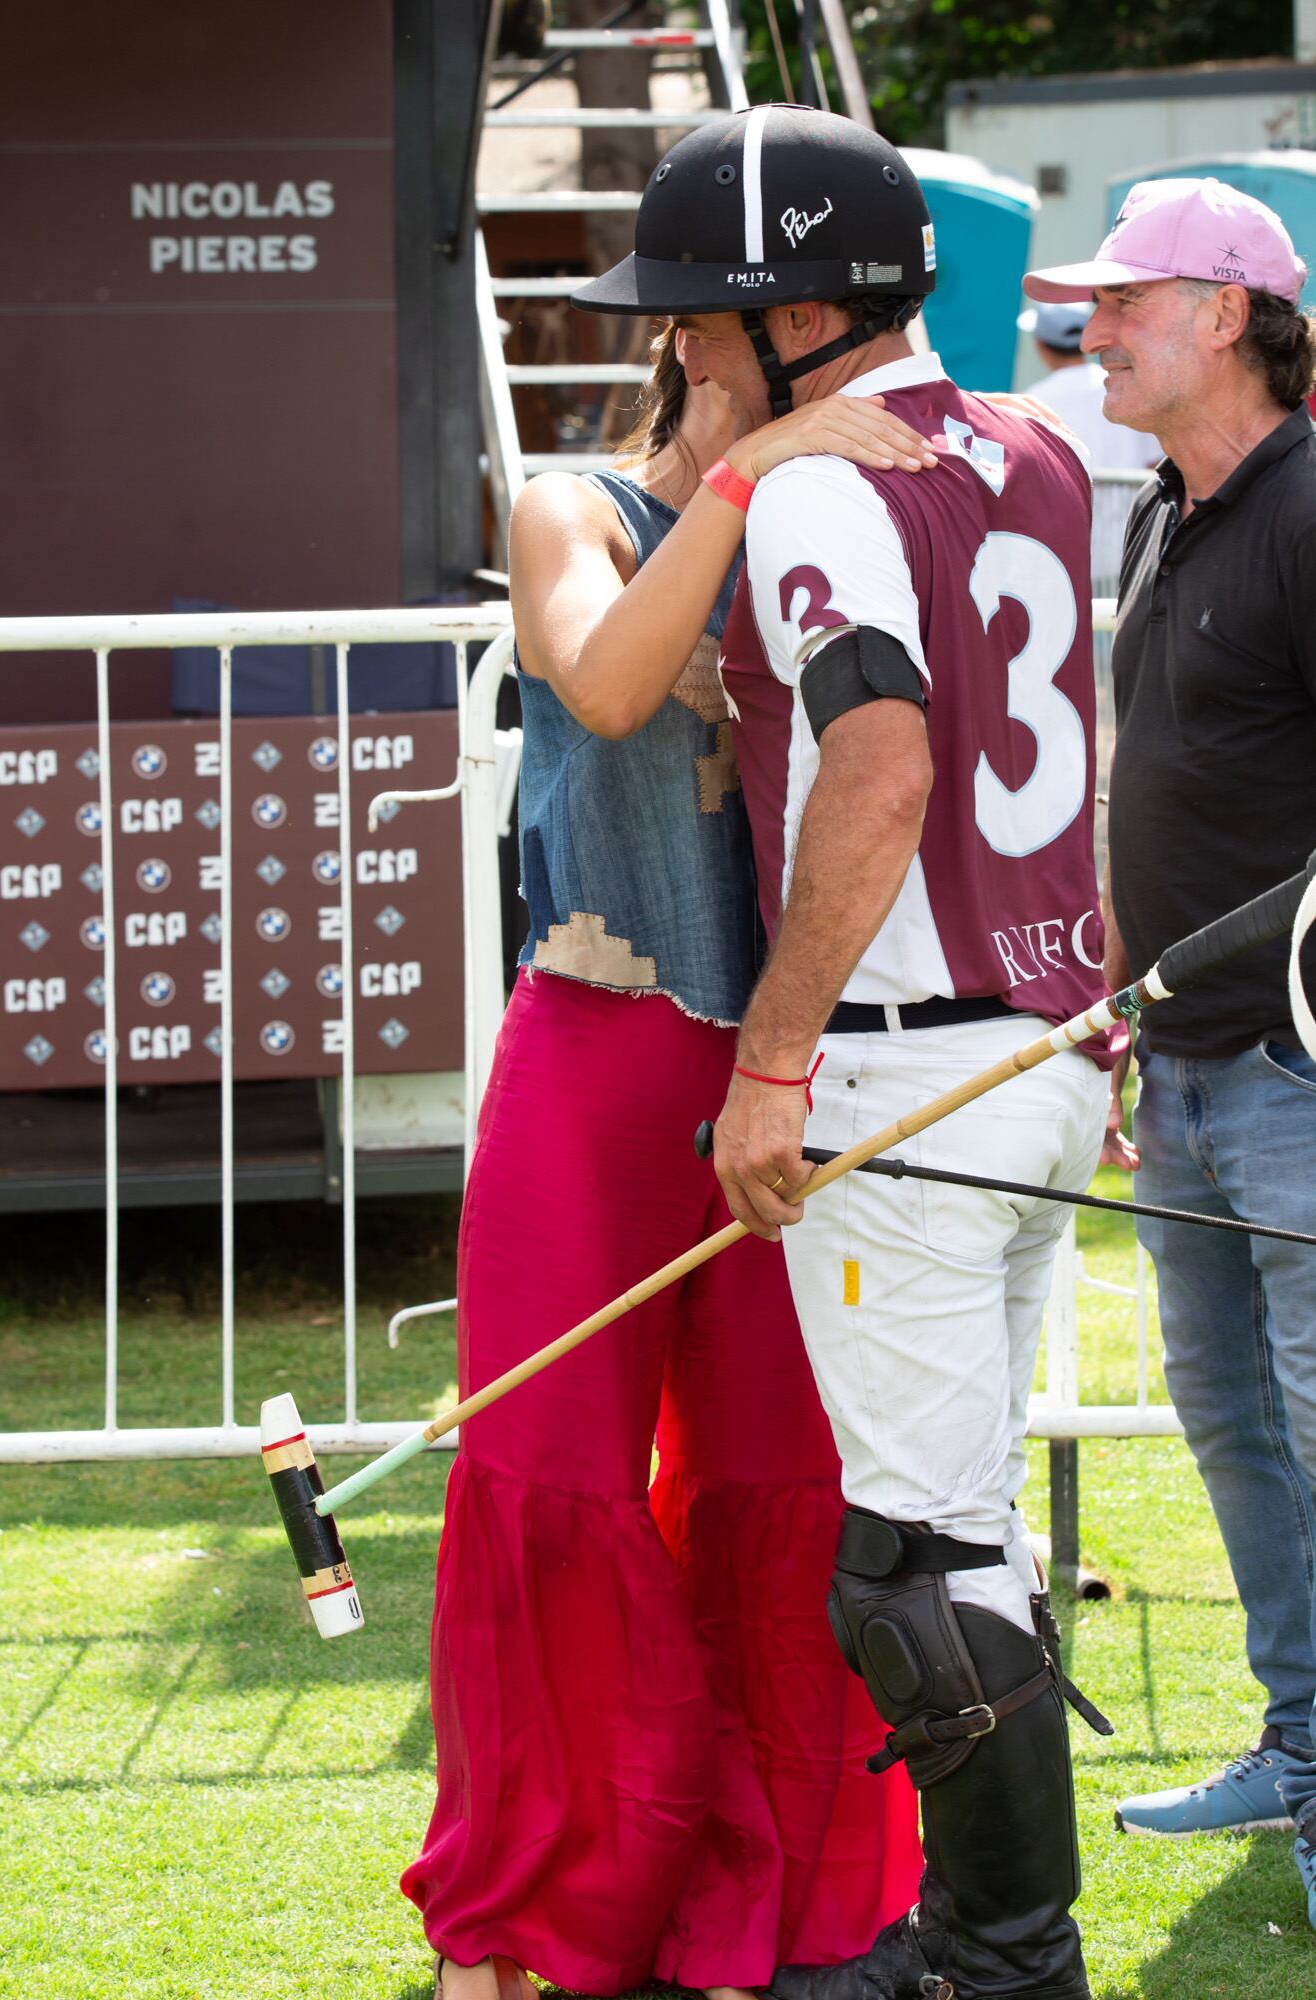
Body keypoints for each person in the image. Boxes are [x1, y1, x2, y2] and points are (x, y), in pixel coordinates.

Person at [577, 103, 1115, 2000]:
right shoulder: (1037, 444)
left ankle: (998, 1958)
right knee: (961, 1520)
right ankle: (990, 1939)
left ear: (799, 314)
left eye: (703, 318)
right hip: (1042, 1038)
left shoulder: (818, 488)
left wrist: (772, 1060)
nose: (683, 351)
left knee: (912, 1561)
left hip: (905, 1064)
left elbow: (879, 764)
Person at [400, 326, 933, 1998]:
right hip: (600, 1047)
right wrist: (737, 473)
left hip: (796, 1062)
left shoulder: (838, 533)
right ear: (700, 349)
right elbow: (609, 681)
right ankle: (533, 1909)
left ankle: (768, 1893)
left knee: (780, 1482)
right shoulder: (573, 504)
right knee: (550, 1465)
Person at [1024, 175, 1316, 1928]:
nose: (1090, 327)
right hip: (1190, 1069)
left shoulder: (1305, 507)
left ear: (1223, 316)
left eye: (1123, 301)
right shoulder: (1161, 512)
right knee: (1236, 1435)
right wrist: (1124, 996)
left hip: (1293, 1072)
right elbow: (1170, 796)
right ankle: (1297, 1746)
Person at [1019, 299, 1160, 582]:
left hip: (1064, 556)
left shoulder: (1029, 403)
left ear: (1041, 345)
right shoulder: (1128, 388)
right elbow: (1156, 462)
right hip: (1134, 547)